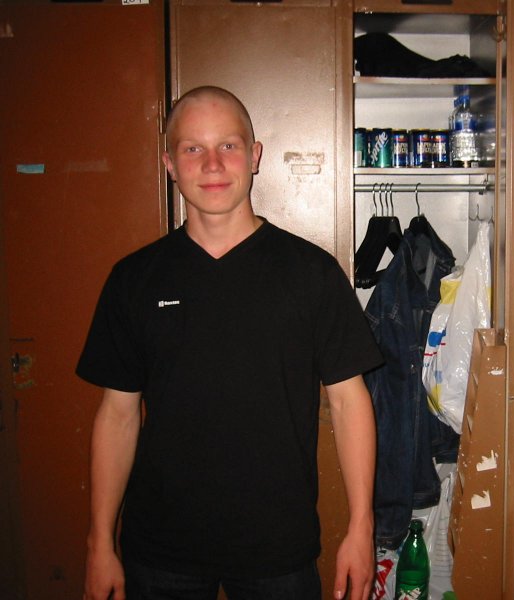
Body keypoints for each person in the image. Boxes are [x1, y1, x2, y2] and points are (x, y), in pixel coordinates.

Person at [78, 86, 383, 600]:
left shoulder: (311, 274)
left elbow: (350, 403)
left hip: (277, 550)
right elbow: (118, 415)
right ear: (169, 164)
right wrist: (99, 542)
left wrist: (361, 527)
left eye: (228, 145)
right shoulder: (134, 280)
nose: (213, 164)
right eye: (193, 148)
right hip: (160, 550)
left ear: (254, 156)